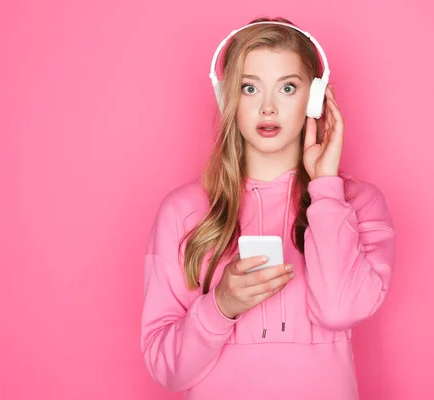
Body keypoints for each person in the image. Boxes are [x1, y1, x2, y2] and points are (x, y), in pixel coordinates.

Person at [140, 16, 397, 400]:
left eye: (288, 88)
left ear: (314, 97)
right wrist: (221, 307)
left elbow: (339, 310)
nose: (268, 108)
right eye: (249, 88)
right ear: (227, 96)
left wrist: (326, 188)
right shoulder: (183, 210)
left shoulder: (358, 204)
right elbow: (166, 368)